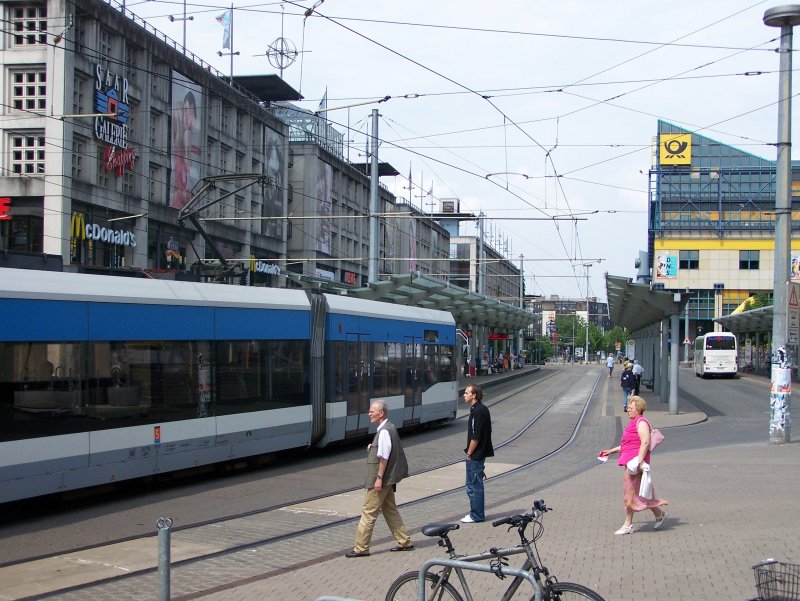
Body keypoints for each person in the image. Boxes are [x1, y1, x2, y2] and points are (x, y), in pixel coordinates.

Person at [346, 400, 414, 557]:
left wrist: (378, 479)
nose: (369, 413)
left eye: (372, 411)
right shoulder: (389, 428)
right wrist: (373, 446)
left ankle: (361, 548)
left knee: (368, 512)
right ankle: (404, 541)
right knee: (390, 510)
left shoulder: (384, 431)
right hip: (388, 480)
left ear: (381, 413)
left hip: (380, 480)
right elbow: (385, 450)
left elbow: (384, 458)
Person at [599, 396, 668, 535]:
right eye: (628, 407)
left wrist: (639, 462)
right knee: (640, 494)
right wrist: (611, 451)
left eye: (631, 407)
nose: (628, 410)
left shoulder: (641, 423)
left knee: (630, 493)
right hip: (631, 462)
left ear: (639, 409)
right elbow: (628, 444)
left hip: (635, 464)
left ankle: (628, 524)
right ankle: (659, 513)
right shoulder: (633, 423)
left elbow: (645, 443)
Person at [462, 384, 494, 523]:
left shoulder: (478, 411)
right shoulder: (481, 409)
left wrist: (469, 453)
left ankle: (476, 515)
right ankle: (475, 513)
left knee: (473, 485)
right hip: (480, 453)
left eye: (466, 392)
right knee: (474, 483)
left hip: (476, 454)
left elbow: (476, 436)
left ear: (474, 395)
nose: (464, 395)